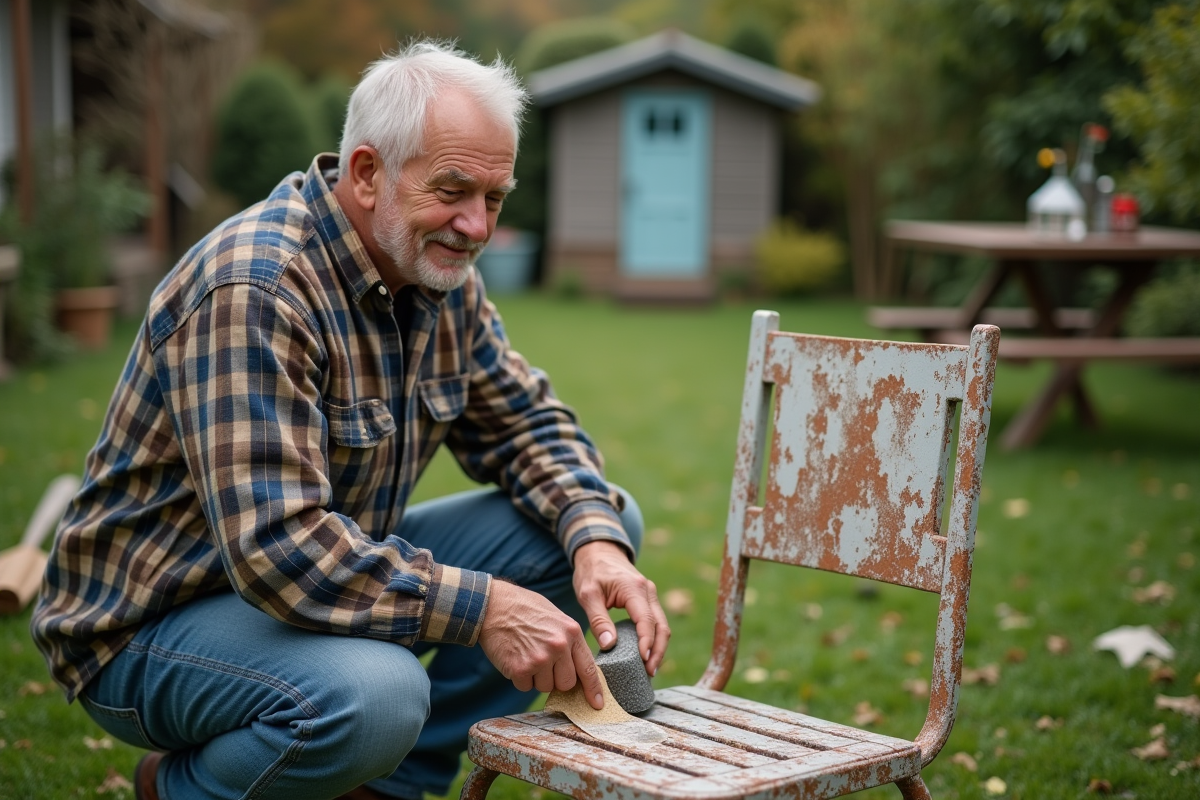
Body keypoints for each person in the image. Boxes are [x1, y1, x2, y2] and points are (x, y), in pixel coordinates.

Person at [32, 41, 669, 800]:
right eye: (453, 190)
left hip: (304, 585)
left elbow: (525, 423)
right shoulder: (257, 288)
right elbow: (279, 547)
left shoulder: (437, 274)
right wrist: (487, 608)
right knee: (378, 694)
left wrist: (596, 541)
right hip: (148, 625)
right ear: (367, 173)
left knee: (593, 522)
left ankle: (387, 786)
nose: (475, 226)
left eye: (494, 198)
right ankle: (177, 788)